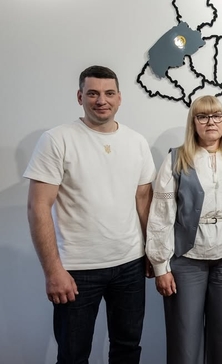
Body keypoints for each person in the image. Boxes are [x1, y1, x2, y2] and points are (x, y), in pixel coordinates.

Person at [23, 65, 156, 363]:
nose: (101, 100)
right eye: (93, 93)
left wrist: (152, 251)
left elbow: (143, 199)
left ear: (119, 98)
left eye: (109, 93)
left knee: (127, 348)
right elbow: (38, 207)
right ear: (79, 96)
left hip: (130, 265)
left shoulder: (136, 142)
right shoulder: (57, 139)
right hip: (77, 269)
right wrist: (53, 271)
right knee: (73, 354)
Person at [146, 95, 222, 364]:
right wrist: (160, 266)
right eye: (202, 116)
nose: (211, 122)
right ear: (193, 122)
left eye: (217, 116)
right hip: (187, 259)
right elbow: (161, 215)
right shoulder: (176, 158)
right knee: (185, 340)